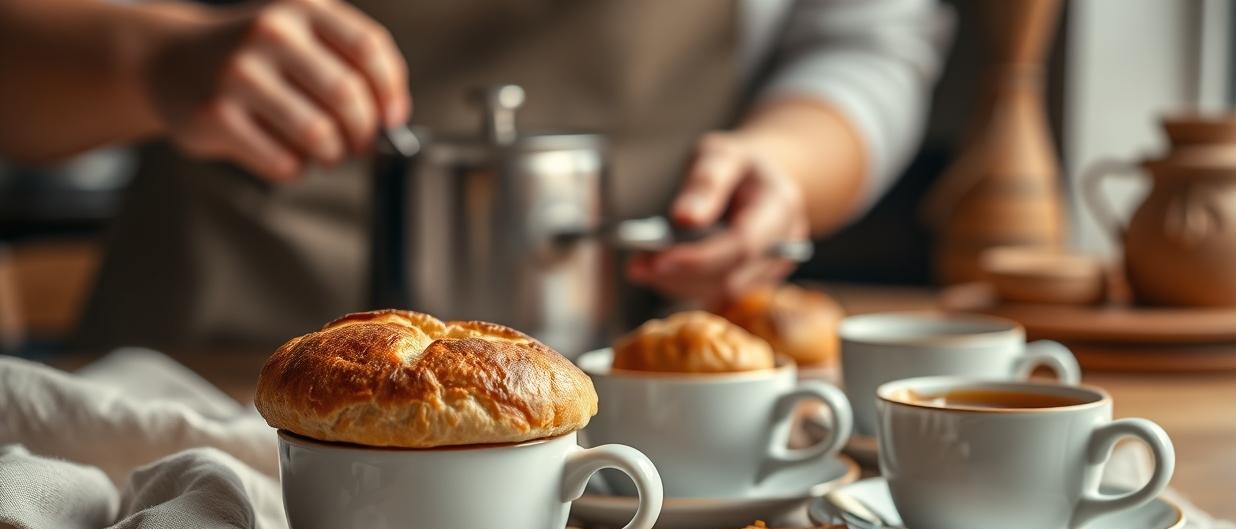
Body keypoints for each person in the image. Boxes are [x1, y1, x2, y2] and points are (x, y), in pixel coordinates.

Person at [0, 0, 949, 346]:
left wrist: (785, 165)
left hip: (627, 395)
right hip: (210, 371)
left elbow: (868, 40)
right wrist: (155, 60)